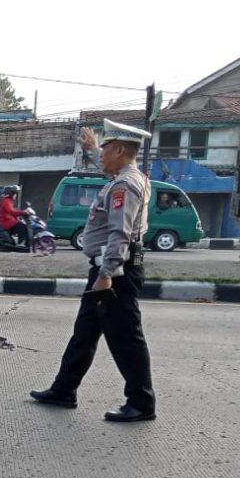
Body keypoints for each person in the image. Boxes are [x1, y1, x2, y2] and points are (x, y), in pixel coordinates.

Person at [30, 119, 156, 423]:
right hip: (105, 266)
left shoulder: (126, 184)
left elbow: (120, 233)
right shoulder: (125, 177)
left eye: (107, 147)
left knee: (125, 336)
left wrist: (107, 272)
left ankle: (141, 402)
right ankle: (64, 390)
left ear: (122, 150)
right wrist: (91, 149)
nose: (102, 153)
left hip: (115, 270)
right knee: (84, 333)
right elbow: (106, 166)